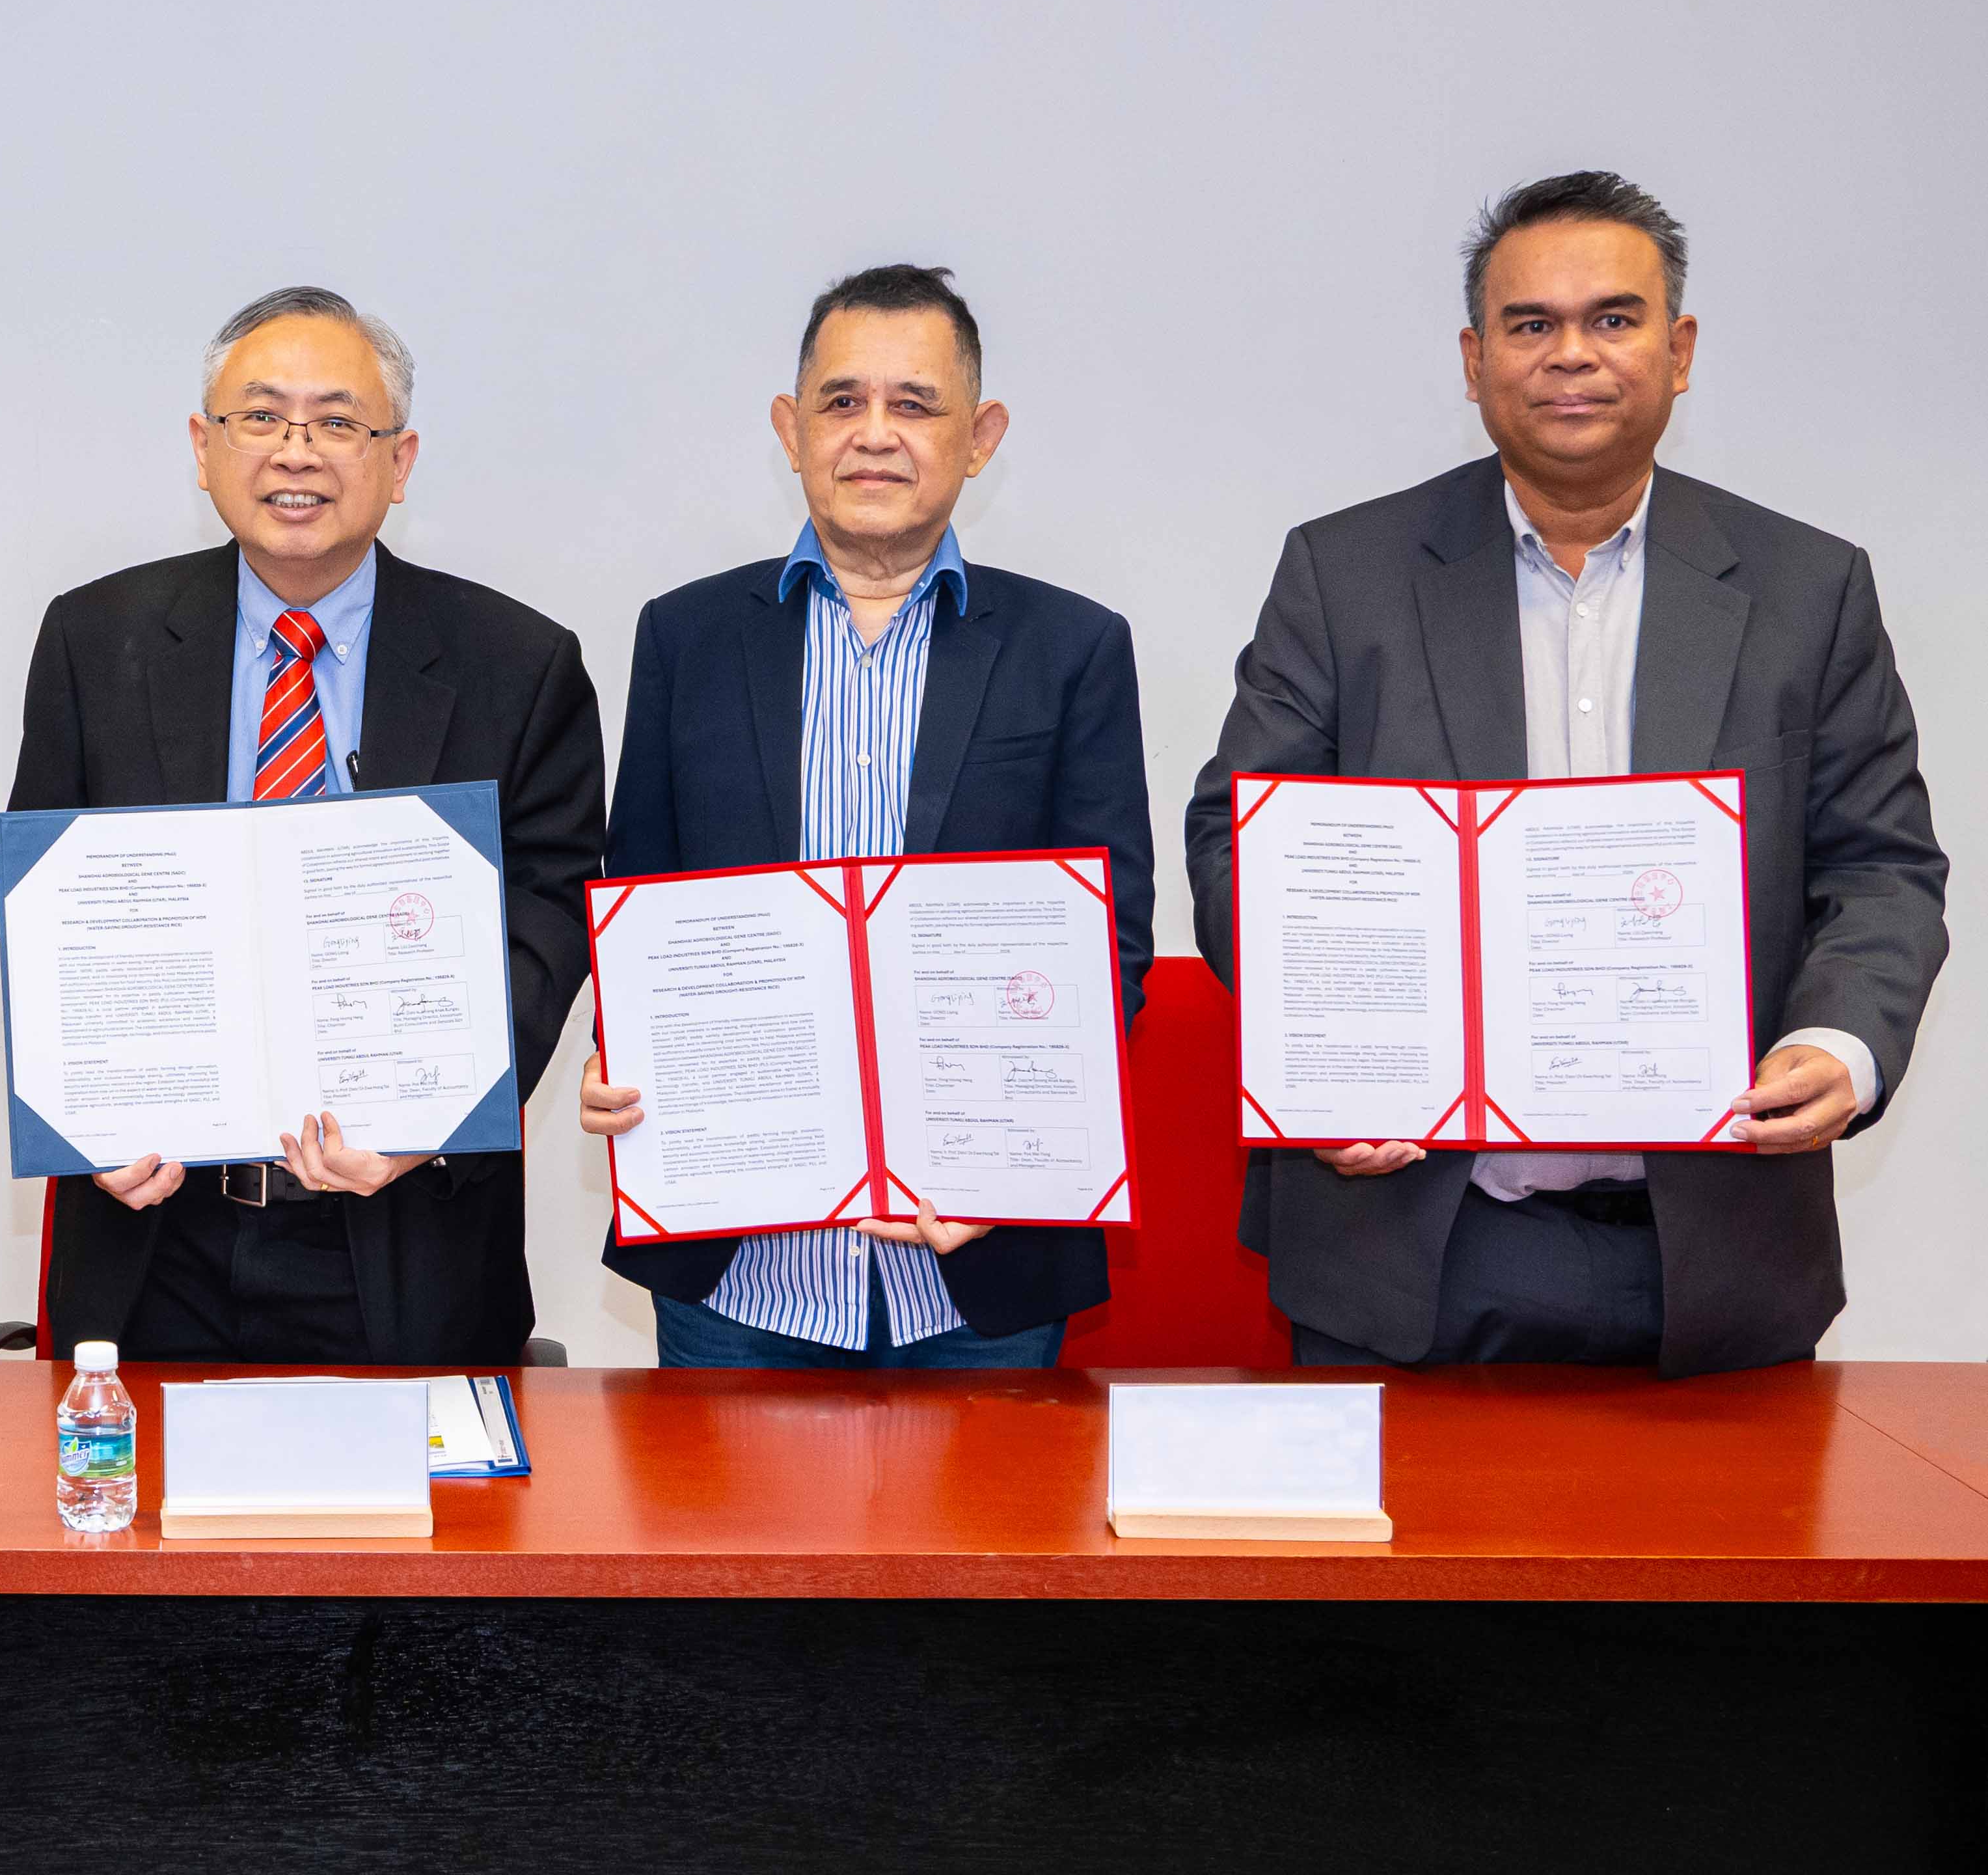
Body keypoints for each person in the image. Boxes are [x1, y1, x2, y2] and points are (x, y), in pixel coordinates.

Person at [1185, 171, 1948, 1375]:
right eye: (1531, 325)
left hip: (1716, 1236)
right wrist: (1322, 1056)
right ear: (1476, 358)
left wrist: (1843, 1045)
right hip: (1410, 1240)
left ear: (1680, 349)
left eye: (1614, 318)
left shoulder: (1810, 589)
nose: (1571, 356)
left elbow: (1882, 867)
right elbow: (1239, 838)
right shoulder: (1347, 573)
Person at [12, 285, 605, 1365]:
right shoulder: (95, 642)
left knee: (416, 1535)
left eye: (338, 423)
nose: (298, 453)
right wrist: (84, 1114)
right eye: (261, 418)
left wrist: (429, 1117)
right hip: (157, 1232)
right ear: (204, 447)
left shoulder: (517, 666)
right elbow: (56, 913)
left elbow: (550, 921)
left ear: (400, 459)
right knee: (139, 1527)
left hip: (407, 1230)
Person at [580, 264, 1154, 1369]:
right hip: (741, 1275)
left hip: (981, 1266)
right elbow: (639, 902)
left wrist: (1020, 1160)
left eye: (916, 404)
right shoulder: (687, 639)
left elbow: (1108, 950)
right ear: (791, 430)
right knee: (734, 1552)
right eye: (842, 403)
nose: (875, 435)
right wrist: (626, 1050)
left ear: (980, 437)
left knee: (988, 1547)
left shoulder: (1071, 649)